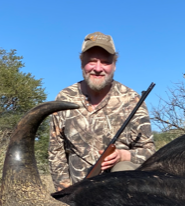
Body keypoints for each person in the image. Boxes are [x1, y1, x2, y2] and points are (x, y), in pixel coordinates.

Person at [49, 31, 155, 191]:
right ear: (81, 63)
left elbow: (150, 153)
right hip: (77, 193)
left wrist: (123, 156)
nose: (98, 68)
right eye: (92, 61)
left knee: (124, 168)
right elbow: (56, 152)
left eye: (105, 62)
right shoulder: (64, 98)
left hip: (121, 194)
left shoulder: (132, 99)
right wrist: (64, 193)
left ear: (114, 65)